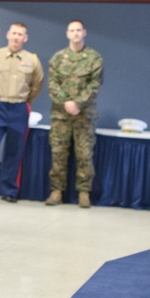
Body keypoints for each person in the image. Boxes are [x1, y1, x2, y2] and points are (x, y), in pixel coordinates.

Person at [0, 22, 44, 203]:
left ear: (25, 38)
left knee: (14, 151)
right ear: (8, 34)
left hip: (19, 108)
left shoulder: (32, 60)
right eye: (13, 33)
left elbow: (37, 84)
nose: (16, 37)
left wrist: (24, 100)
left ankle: (9, 191)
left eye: (20, 34)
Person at [46, 20, 103, 208]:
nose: (76, 33)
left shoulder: (94, 58)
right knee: (58, 153)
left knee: (84, 154)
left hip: (84, 115)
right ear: (67, 34)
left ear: (84, 32)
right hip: (60, 114)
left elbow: (95, 85)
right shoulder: (57, 58)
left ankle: (84, 193)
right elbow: (53, 85)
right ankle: (56, 191)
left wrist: (78, 103)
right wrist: (67, 103)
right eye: (72, 30)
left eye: (79, 30)